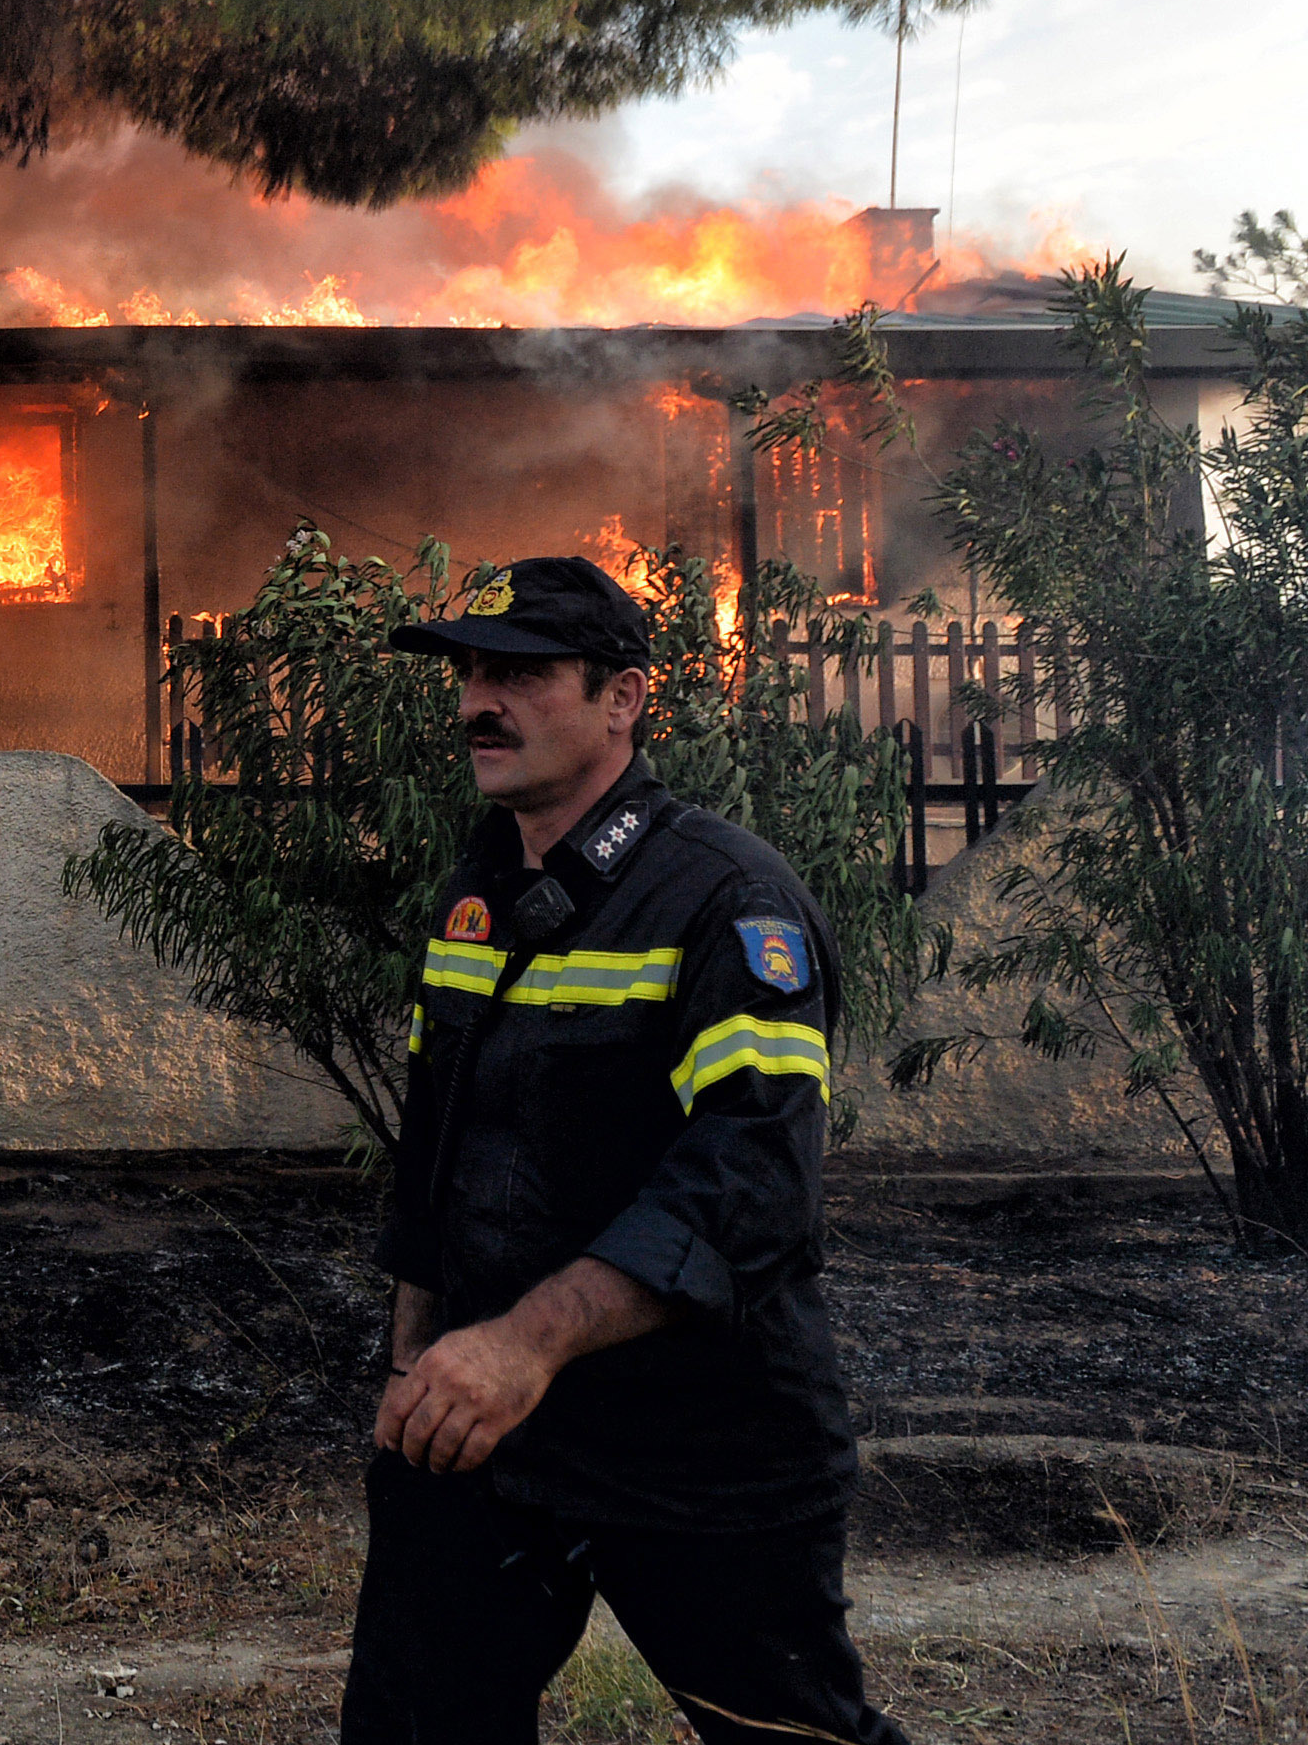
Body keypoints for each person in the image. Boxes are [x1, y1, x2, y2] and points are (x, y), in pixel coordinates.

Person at [337, 555, 906, 1745]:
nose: (476, 701)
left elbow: (750, 1178)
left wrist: (522, 1345)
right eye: (471, 672)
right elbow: (437, 1150)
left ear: (623, 698)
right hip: (487, 1426)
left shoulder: (725, 900)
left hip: (702, 1439)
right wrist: (415, 1361)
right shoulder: (476, 899)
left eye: (522, 673)